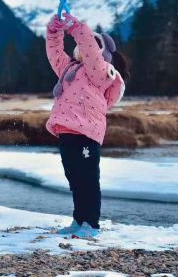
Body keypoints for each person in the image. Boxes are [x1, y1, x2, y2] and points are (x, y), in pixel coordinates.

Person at [46, 13, 129, 239]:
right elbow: (54, 53)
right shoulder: (68, 69)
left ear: (102, 54)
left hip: (86, 133)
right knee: (74, 179)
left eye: (94, 44)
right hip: (66, 131)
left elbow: (90, 49)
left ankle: (91, 224)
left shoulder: (100, 73)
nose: (83, 47)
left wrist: (76, 27)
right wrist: (54, 30)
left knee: (87, 180)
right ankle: (79, 220)